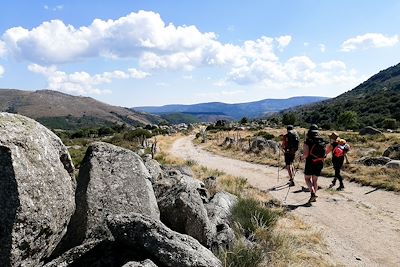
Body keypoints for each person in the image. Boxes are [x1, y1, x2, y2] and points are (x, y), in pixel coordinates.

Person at [302, 125, 326, 203]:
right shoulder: (322, 141)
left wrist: (301, 157)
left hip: (310, 162)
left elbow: (305, 155)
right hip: (319, 162)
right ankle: (314, 196)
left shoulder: (308, 141)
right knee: (315, 180)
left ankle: (312, 194)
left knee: (307, 178)